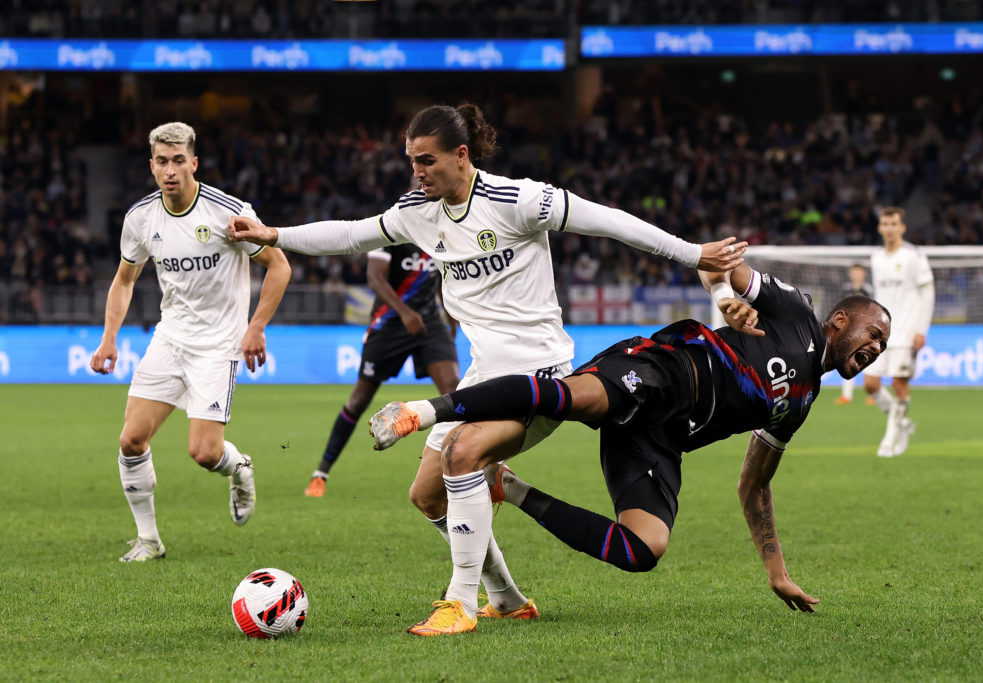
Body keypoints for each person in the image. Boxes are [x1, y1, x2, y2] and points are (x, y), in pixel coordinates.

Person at [226, 103, 748, 635]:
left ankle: (461, 604)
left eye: (426, 161)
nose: (417, 172)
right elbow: (352, 235)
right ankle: (506, 597)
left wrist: (690, 253)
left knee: (464, 452)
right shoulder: (417, 211)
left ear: (461, 154)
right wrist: (274, 234)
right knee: (425, 495)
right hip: (483, 377)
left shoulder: (517, 199)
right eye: (411, 161)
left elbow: (607, 221)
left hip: (541, 374)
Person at [372, 263, 890, 615]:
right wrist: (727, 297)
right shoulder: (796, 309)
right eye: (873, 335)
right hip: (668, 369)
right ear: (840, 320)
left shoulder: (799, 404)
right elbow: (713, 260)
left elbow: (754, 487)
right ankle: (420, 412)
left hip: (661, 440)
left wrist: (776, 572)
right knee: (570, 398)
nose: (875, 348)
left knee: (644, 548)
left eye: (882, 347)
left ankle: (508, 487)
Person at [90, 122, 291, 562]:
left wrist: (256, 326)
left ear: (194, 163)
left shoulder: (228, 212)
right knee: (131, 440)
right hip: (170, 338)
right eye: (162, 161)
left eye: (179, 160)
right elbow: (124, 281)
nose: (170, 170)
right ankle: (148, 540)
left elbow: (279, 266)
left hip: (219, 346)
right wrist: (109, 339)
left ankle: (238, 466)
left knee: (203, 453)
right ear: (151, 165)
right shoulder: (141, 218)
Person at [304, 243, 460, 497]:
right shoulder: (391, 229)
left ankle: (461, 472)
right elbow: (374, 278)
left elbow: (444, 277)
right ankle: (321, 473)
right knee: (358, 401)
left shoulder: (437, 231)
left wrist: (451, 319)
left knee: (454, 391)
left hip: (429, 323)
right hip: (389, 323)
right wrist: (406, 313)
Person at [861, 207, 934, 457]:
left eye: (894, 223)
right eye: (885, 223)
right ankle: (902, 422)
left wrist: (921, 329)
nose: (889, 228)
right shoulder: (876, 258)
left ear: (902, 227)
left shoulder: (914, 256)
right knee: (870, 384)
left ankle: (890, 439)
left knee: (899, 385)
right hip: (882, 333)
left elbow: (928, 292)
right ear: (880, 228)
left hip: (906, 332)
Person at [835, 263, 873, 405]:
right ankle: (846, 396)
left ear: (864, 274)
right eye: (854, 272)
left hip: (866, 331)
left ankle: (873, 393)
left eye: (859, 272)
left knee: (869, 361)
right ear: (851, 274)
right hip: (849, 332)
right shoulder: (846, 290)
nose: (856, 275)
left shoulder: (869, 291)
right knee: (847, 361)